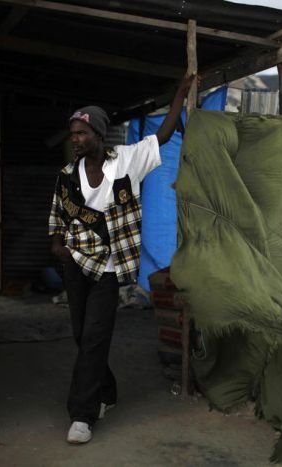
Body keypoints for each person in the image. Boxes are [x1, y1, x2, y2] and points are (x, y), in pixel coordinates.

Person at [48, 74, 195, 444]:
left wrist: (179, 95)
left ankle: (82, 415)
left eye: (81, 133)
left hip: (110, 268)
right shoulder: (67, 175)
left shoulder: (127, 162)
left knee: (96, 336)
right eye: (73, 134)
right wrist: (58, 247)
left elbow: (161, 136)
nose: (76, 140)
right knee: (84, 337)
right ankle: (107, 392)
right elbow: (57, 219)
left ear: (98, 133)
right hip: (76, 265)